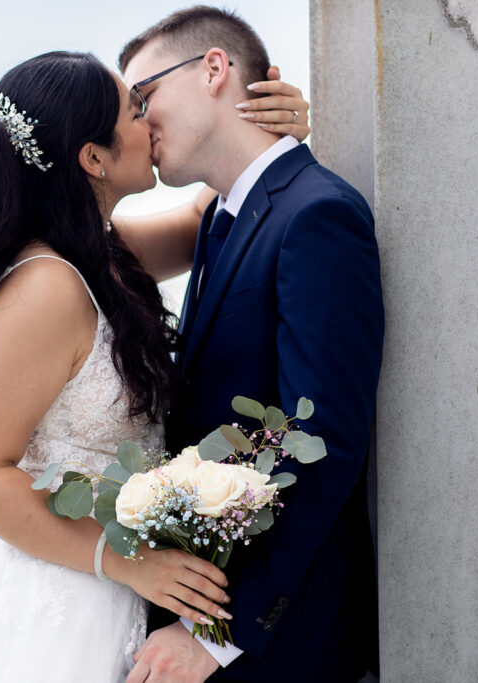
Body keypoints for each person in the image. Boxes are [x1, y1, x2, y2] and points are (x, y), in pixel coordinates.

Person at [0, 50, 310, 683]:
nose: (150, 119)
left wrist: (276, 126)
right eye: (136, 109)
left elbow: (203, 219)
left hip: (111, 593)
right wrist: (125, 562)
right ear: (93, 158)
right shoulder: (47, 286)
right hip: (50, 600)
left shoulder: (100, 254)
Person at [117, 7, 383, 683]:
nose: (138, 122)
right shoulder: (222, 219)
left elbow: (320, 439)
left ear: (212, 69)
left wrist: (215, 631)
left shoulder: (316, 213)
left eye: (144, 96)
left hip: (281, 644)